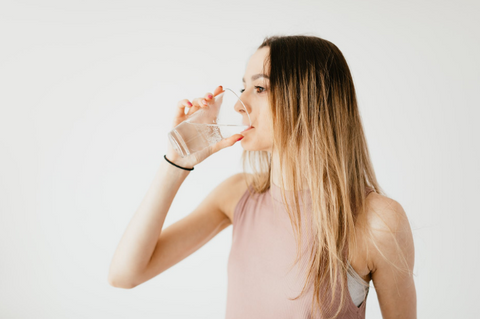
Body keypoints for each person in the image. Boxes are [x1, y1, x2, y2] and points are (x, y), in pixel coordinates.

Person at [108, 35, 416, 319]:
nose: (239, 104)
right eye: (242, 87)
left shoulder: (377, 221)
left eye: (259, 88)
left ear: (310, 98)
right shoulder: (237, 195)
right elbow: (125, 274)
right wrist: (176, 161)